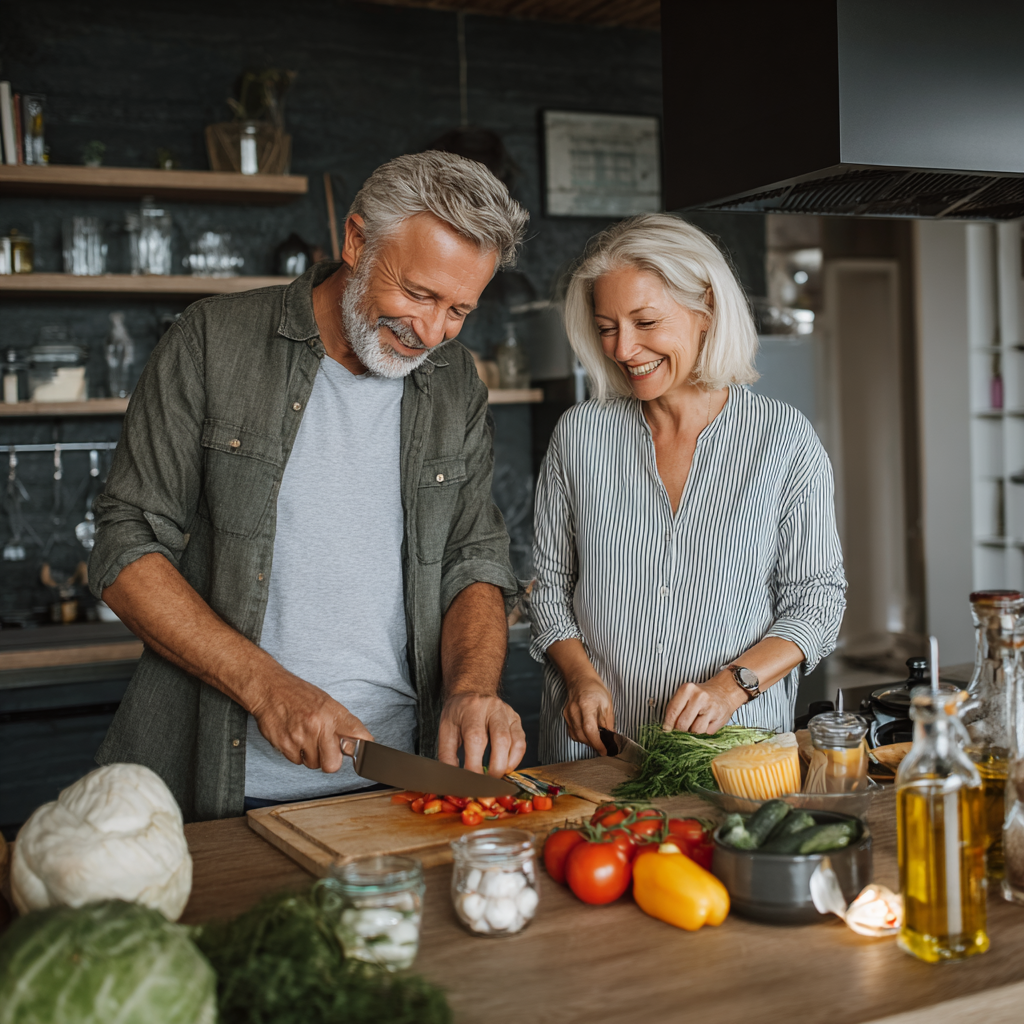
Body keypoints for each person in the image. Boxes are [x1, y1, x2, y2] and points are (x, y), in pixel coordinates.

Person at [89, 152, 530, 821]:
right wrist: (269, 690)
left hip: (407, 788)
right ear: (356, 240)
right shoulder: (212, 341)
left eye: (458, 311)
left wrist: (472, 689)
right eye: (418, 294)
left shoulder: (456, 381)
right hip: (223, 784)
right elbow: (125, 548)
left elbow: (473, 555)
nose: (431, 333)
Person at [530, 214, 846, 762]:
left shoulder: (784, 439)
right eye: (607, 327)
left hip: (731, 753)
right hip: (593, 753)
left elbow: (818, 599)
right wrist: (580, 679)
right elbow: (550, 587)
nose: (623, 349)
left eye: (645, 322)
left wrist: (732, 686)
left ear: (705, 309)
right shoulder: (579, 435)